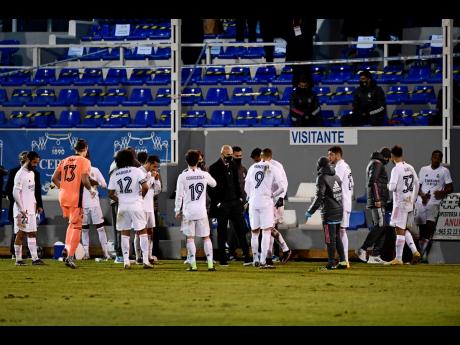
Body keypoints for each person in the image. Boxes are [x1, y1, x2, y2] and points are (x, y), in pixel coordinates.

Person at [52, 139, 95, 269]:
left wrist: (63, 188)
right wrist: (91, 189)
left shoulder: (64, 160)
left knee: (71, 224)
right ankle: (70, 256)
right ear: (86, 148)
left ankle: (67, 248)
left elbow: (54, 178)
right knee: (77, 227)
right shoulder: (85, 161)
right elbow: (84, 179)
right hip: (75, 197)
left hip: (63, 196)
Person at [208, 145, 252, 266]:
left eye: (231, 155)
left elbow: (236, 183)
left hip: (234, 203)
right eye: (228, 155)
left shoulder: (233, 165)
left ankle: (247, 257)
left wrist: (240, 198)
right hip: (222, 205)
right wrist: (218, 203)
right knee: (222, 232)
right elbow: (210, 188)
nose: (230, 157)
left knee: (241, 230)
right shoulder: (214, 168)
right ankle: (223, 259)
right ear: (222, 154)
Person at [175, 150, 217, 271]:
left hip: (188, 212)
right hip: (202, 211)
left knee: (190, 238)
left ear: (186, 161)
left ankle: (193, 265)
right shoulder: (204, 174)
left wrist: (177, 209)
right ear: (199, 160)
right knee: (206, 237)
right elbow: (214, 184)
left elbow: (179, 195)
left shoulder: (182, 176)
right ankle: (210, 264)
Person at [108, 149, 150, 269]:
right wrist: (141, 197)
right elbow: (145, 187)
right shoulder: (137, 171)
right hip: (136, 204)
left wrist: (120, 200)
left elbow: (110, 194)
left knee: (124, 233)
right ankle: (146, 261)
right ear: (132, 158)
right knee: (142, 231)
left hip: (122, 206)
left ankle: (126, 261)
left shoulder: (115, 174)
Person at [305, 157, 347, 270]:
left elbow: (319, 197)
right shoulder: (336, 176)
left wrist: (310, 211)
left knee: (329, 239)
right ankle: (343, 261)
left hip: (329, 213)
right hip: (339, 210)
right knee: (337, 237)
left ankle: (331, 263)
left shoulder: (321, 178)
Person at [245, 150, 285, 268]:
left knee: (254, 232)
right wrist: (273, 194)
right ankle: (263, 261)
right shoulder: (273, 168)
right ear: (270, 157)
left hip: (253, 202)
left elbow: (246, 186)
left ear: (261, 157)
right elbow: (282, 187)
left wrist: (252, 196)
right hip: (266, 202)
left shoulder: (252, 167)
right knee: (266, 231)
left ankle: (255, 259)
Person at [415, 150, 453, 261]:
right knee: (421, 229)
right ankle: (420, 254)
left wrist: (442, 192)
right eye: (434, 157)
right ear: (431, 158)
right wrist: (422, 195)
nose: (436, 160)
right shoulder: (423, 169)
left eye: (438, 158)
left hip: (434, 203)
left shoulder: (444, 171)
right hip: (421, 202)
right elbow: (418, 186)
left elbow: (451, 187)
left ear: (441, 160)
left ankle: (423, 254)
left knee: (429, 228)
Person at [386, 145, 421, 265]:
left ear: (392, 157)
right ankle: (415, 251)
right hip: (409, 203)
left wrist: (387, 184)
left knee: (399, 229)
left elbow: (392, 187)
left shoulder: (396, 169)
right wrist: (413, 199)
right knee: (404, 229)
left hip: (400, 204)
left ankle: (399, 258)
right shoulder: (409, 167)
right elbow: (417, 183)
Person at [356, 147, 391, 264]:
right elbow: (373, 181)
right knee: (380, 226)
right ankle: (363, 249)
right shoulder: (377, 164)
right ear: (387, 157)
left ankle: (375, 255)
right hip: (378, 200)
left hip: (379, 200)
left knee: (383, 227)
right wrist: (377, 199)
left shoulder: (375, 163)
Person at [6, 151, 44, 259]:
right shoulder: (19, 174)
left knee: (32, 233)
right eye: (34, 162)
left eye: (37, 163)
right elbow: (14, 192)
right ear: (28, 160)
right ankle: (18, 259)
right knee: (20, 234)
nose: (36, 165)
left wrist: (36, 205)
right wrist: (21, 208)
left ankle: (35, 259)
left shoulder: (32, 173)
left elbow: (34, 192)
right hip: (21, 210)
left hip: (31, 210)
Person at [260, 148, 292, 265]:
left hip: (275, 200)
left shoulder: (276, 166)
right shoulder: (261, 166)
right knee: (269, 228)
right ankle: (282, 250)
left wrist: (281, 197)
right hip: (266, 201)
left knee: (268, 228)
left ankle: (270, 256)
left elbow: (284, 183)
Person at [81, 151, 110, 261]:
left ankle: (105, 253)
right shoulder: (78, 171)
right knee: (84, 229)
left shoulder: (95, 170)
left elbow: (104, 185)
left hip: (94, 204)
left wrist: (92, 181)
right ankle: (86, 253)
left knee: (101, 228)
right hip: (83, 204)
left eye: (87, 159)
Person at [327, 146, 354, 268]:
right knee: (341, 231)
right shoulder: (346, 166)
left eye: (330, 155)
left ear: (337, 155)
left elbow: (334, 185)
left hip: (341, 204)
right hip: (346, 202)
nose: (329, 157)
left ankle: (345, 260)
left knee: (341, 231)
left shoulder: (340, 167)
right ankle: (344, 260)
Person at [137, 153, 162, 264]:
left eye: (157, 167)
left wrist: (156, 180)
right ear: (149, 163)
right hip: (140, 205)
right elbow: (142, 188)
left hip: (150, 206)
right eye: (154, 166)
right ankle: (139, 257)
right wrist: (152, 177)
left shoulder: (152, 174)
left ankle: (149, 255)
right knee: (140, 231)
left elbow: (157, 191)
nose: (155, 169)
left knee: (150, 231)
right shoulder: (139, 172)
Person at [108, 152, 123, 264]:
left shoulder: (117, 166)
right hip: (117, 200)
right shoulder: (116, 167)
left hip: (120, 200)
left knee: (122, 228)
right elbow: (112, 190)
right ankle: (119, 254)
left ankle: (123, 252)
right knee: (119, 228)